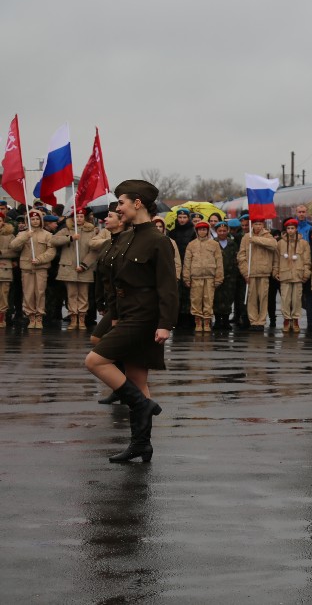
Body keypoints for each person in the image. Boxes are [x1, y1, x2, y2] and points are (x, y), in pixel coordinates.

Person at [84, 179, 178, 462]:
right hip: (127, 314)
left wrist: (165, 324)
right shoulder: (126, 238)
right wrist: (116, 315)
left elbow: (168, 287)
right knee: (137, 381)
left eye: (122, 203)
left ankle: (142, 405)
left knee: (95, 361)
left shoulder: (159, 241)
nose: (118, 208)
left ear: (138, 203)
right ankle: (141, 443)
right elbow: (117, 282)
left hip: (145, 317)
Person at [91, 207, 127, 404]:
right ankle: (121, 387)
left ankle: (124, 387)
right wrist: (99, 301)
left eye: (110, 216)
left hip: (121, 303)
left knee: (100, 340)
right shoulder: (109, 242)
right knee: (98, 339)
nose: (106, 218)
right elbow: (101, 274)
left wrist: (116, 311)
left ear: (121, 222)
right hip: (110, 301)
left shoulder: (124, 243)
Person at [51, 208, 100, 330]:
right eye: (77, 216)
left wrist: (84, 265)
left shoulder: (92, 231)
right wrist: (70, 238)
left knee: (83, 295)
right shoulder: (66, 230)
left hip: (84, 268)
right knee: (71, 294)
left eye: (81, 216)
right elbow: (53, 240)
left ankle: (82, 318)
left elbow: (94, 251)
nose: (79, 219)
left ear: (85, 218)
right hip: (69, 268)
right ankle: (73, 317)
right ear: (72, 218)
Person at [9, 209, 57, 329]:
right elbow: (13, 246)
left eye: (37, 219)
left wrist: (40, 259)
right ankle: (31, 316)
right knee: (28, 293)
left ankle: (39, 316)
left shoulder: (47, 235)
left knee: (40, 292)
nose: (35, 221)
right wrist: (25, 236)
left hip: (41, 268)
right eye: (32, 219)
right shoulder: (22, 234)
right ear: (28, 221)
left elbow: (51, 251)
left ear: (41, 220)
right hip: (27, 268)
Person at [237, 219, 278, 331]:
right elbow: (241, 256)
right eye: (255, 224)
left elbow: (274, 245)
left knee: (263, 298)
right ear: (252, 224)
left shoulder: (268, 235)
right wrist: (245, 272)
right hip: (251, 273)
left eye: (260, 224)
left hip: (264, 272)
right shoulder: (246, 237)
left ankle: (261, 321)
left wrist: (255, 240)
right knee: (252, 298)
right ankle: (253, 321)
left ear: (263, 225)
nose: (258, 226)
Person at [183, 220, 223, 332]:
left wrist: (219, 278)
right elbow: (187, 262)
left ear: (208, 230)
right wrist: (186, 277)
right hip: (195, 277)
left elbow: (219, 262)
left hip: (210, 277)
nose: (202, 231)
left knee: (208, 299)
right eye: (200, 229)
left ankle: (207, 322)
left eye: (204, 229)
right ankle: (198, 322)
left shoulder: (214, 244)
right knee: (196, 300)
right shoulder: (191, 245)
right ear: (196, 231)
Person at [275, 217, 311, 333]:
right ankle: (286, 320)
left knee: (296, 299)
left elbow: (307, 261)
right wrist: (275, 272)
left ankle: (295, 320)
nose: (290, 230)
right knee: (285, 299)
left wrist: (306, 273)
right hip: (284, 275)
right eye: (288, 228)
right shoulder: (280, 243)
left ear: (296, 229)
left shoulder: (303, 243)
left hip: (298, 275)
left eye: (292, 228)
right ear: (286, 229)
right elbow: (276, 260)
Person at [169, 208, 196, 330]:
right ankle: (178, 319)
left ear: (188, 218)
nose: (182, 220)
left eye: (184, 217)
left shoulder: (193, 232)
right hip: (176, 264)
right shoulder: (172, 232)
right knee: (177, 293)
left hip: (189, 264)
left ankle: (190, 319)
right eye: (180, 217)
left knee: (189, 293)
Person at [213, 220, 240, 331]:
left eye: (224, 230)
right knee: (217, 298)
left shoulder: (232, 243)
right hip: (217, 275)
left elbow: (237, 257)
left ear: (227, 231)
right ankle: (218, 320)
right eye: (220, 231)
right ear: (216, 231)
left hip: (230, 276)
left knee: (228, 299)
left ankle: (225, 320)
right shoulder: (213, 243)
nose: (222, 233)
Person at [152, 216, 182, 280]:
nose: (158, 228)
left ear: (164, 228)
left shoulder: (171, 242)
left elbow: (177, 261)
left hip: (167, 277)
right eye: (156, 226)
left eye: (160, 226)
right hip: (151, 277)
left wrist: (176, 277)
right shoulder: (147, 241)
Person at [0, 214, 16, 328]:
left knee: (3, 294)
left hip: (5, 269)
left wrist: (2, 253)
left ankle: (2, 317)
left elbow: (15, 251)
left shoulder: (10, 236)